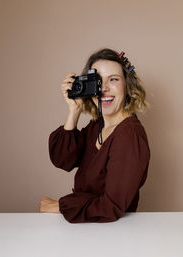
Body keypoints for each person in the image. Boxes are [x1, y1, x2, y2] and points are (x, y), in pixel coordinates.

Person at [39, 48, 150, 223]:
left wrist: (60, 205)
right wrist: (73, 111)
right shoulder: (97, 126)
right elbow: (62, 159)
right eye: (97, 81)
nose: (104, 88)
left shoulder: (129, 135)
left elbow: (111, 207)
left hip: (114, 233)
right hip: (89, 229)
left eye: (113, 79)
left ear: (128, 86)